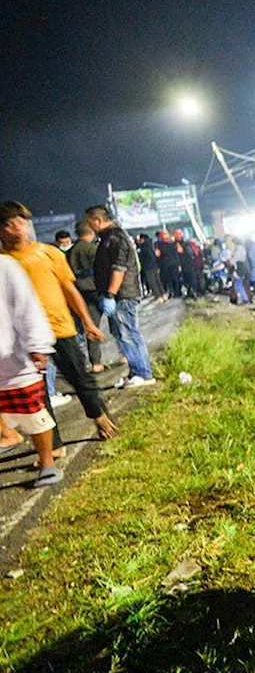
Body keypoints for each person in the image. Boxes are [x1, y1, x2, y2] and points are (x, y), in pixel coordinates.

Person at [0, 202, 118, 442]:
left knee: (80, 377)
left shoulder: (48, 253)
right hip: (22, 340)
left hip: (59, 328)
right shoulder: (3, 262)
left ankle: (99, 416)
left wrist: (88, 321)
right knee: (38, 395)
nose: (17, 229)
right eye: (9, 225)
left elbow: (69, 289)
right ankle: (53, 447)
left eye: (20, 223)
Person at [0, 254, 62, 487]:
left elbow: (27, 307)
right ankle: (8, 435)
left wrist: (37, 345)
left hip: (13, 357)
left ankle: (47, 463)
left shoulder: (5, 267)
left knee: (34, 412)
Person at [85, 205, 155, 388]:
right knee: (121, 333)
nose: (89, 226)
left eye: (89, 222)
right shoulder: (108, 238)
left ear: (97, 220)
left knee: (128, 333)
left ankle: (143, 373)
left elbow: (119, 268)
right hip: (117, 295)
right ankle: (135, 372)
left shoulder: (115, 238)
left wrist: (110, 294)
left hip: (122, 295)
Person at [68, 221, 106, 373]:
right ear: (91, 233)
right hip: (93, 290)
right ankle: (96, 362)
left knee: (77, 329)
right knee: (93, 326)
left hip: (75, 292)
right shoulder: (93, 250)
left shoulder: (70, 251)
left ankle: (79, 363)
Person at [156, 230, 182, 300]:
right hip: (174, 264)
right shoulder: (172, 244)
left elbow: (158, 257)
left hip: (165, 265)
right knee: (175, 279)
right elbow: (176, 255)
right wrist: (178, 264)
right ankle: (177, 293)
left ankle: (171, 293)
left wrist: (159, 266)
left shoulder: (159, 246)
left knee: (169, 280)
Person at [137, 233, 163, 300]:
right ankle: (163, 294)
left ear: (142, 239)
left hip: (148, 267)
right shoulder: (152, 244)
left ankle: (158, 296)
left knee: (152, 282)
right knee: (158, 280)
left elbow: (147, 257)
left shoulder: (144, 247)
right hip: (154, 265)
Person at [175, 230, 199, 298]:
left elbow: (188, 254)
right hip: (185, 265)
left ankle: (193, 292)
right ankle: (190, 292)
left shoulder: (184, 245)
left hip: (188, 265)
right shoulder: (183, 244)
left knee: (190, 279)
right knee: (187, 280)